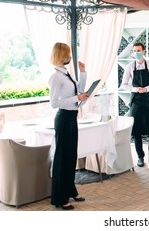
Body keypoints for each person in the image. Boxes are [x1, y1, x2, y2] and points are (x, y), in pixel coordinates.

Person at [48, 42, 88, 210]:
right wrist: (76, 99)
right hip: (63, 118)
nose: (70, 56)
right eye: (68, 53)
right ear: (62, 55)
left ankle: (70, 190)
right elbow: (54, 103)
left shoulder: (66, 74)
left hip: (72, 117)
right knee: (62, 157)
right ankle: (59, 197)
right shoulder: (56, 77)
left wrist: (83, 73)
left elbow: (79, 89)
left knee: (71, 155)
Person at [120, 42, 149, 167]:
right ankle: (140, 157)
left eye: (139, 50)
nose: (137, 52)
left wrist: (146, 88)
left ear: (144, 51)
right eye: (134, 51)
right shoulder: (129, 66)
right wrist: (135, 89)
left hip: (148, 98)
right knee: (137, 130)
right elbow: (124, 84)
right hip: (136, 99)